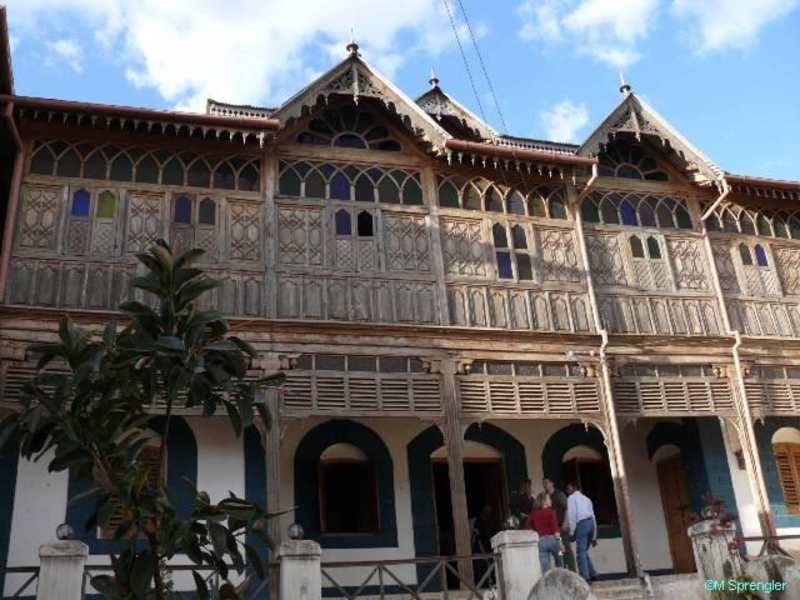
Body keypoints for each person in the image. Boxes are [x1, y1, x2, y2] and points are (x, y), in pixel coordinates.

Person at [566, 482, 598, 582]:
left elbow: (572, 515)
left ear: (574, 488)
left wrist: (571, 532)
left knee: (580, 553)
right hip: (591, 523)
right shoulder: (586, 499)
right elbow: (593, 516)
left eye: (569, 488)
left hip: (582, 524)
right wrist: (594, 536)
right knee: (583, 551)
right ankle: (592, 574)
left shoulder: (571, 498)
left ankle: (585, 577)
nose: (567, 490)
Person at [543, 478, 576, 572]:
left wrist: (565, 523)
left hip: (561, 526)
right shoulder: (546, 496)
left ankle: (573, 571)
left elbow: (567, 508)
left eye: (546, 483)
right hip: (554, 529)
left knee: (566, 549)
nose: (544, 485)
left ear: (552, 483)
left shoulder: (559, 495)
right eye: (543, 483)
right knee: (559, 551)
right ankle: (563, 571)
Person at [526, 493, 562, 574]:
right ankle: (560, 577)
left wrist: (536, 531)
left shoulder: (533, 514)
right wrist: (560, 543)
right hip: (553, 541)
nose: (551, 501)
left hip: (541, 542)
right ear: (544, 501)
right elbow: (556, 530)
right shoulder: (551, 512)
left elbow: (528, 525)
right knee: (560, 559)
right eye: (549, 499)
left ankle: (547, 581)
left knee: (545, 570)